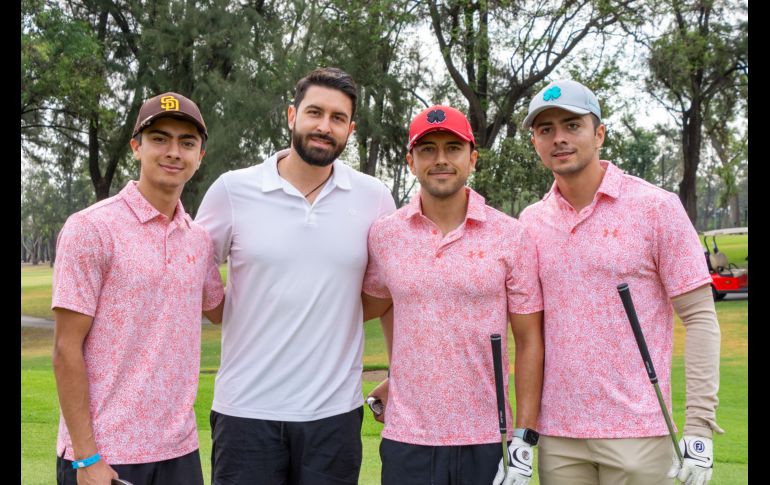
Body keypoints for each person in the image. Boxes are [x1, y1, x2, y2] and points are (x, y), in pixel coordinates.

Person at [194, 66, 397, 485]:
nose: (325, 126)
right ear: (292, 115)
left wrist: (398, 369)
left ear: (350, 129)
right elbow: (189, 274)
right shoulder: (233, 190)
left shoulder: (374, 197)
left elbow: (393, 291)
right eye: (315, 113)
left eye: (338, 118)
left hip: (333, 416)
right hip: (246, 412)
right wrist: (226, 312)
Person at [518, 79, 723, 485]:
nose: (559, 138)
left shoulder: (656, 208)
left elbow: (699, 317)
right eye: (546, 130)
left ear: (599, 134)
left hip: (640, 432)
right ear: (535, 142)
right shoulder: (530, 223)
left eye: (572, 125)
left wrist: (699, 425)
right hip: (559, 437)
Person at [362, 105, 544, 485]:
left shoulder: (510, 235)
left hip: (487, 435)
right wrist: (400, 376)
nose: (440, 159)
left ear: (472, 158)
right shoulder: (385, 235)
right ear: (411, 161)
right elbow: (378, 304)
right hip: (407, 437)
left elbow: (529, 340)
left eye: (452, 148)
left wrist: (524, 435)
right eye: (427, 150)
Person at [52, 92, 225, 485]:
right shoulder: (91, 228)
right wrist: (86, 457)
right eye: (160, 139)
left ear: (200, 155)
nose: (173, 152)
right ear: (136, 147)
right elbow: (65, 349)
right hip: (107, 454)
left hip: (179, 452)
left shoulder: (198, 240)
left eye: (187, 142)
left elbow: (221, 309)